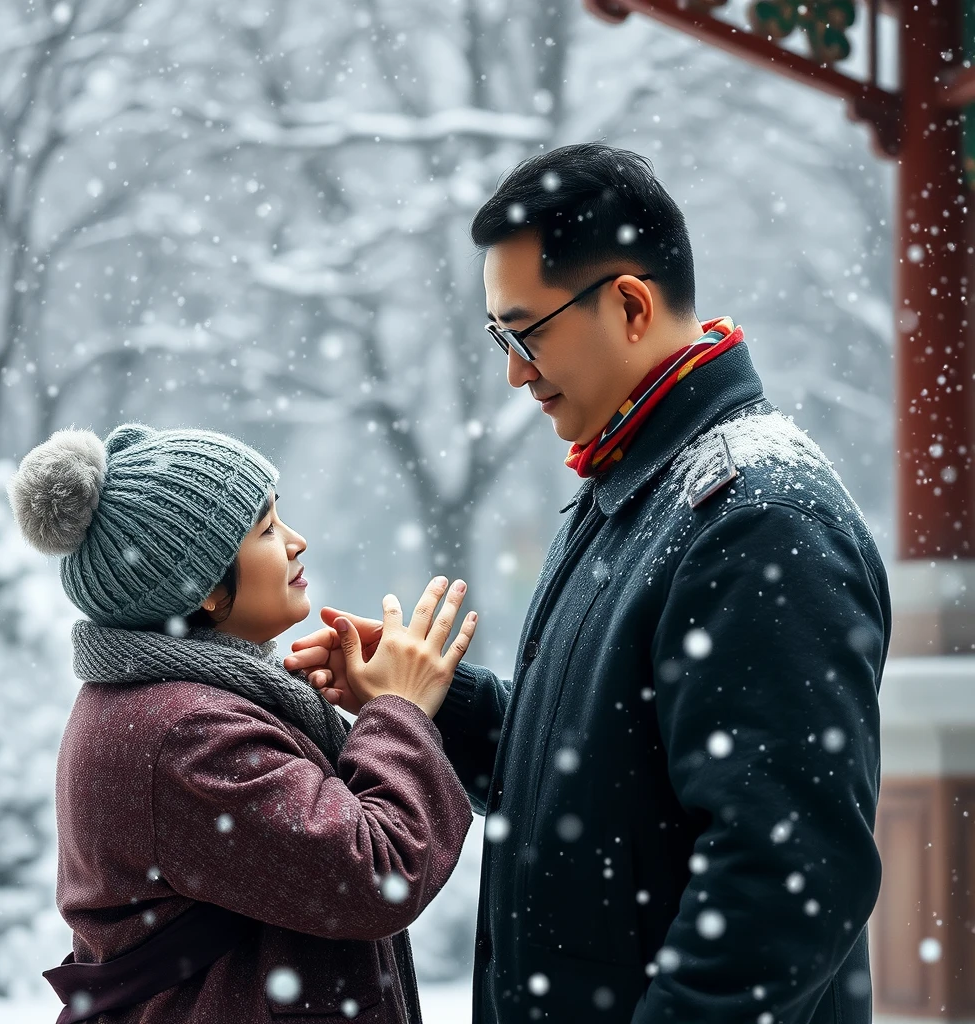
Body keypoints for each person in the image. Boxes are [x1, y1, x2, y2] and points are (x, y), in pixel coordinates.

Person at [287, 143, 891, 1024]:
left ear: (631, 304)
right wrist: (437, 702)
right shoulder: (632, 488)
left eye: (526, 333)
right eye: (499, 336)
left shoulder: (758, 517)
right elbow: (598, 776)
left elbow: (785, 880)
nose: (513, 373)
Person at [8, 422, 477, 1024]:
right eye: (266, 529)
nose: (295, 541)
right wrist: (400, 710)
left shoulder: (171, 703)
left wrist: (369, 711)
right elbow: (377, 869)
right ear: (202, 586)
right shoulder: (183, 733)